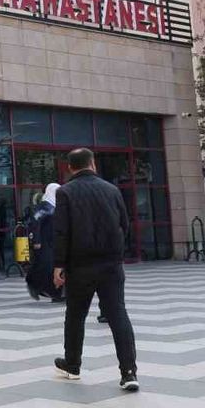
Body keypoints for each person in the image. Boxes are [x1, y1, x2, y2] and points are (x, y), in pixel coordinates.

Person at [52, 148, 139, 393]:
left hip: (80, 265)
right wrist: (117, 250)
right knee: (117, 314)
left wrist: (59, 265)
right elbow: (125, 224)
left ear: (70, 168)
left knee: (75, 315)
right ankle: (129, 372)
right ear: (93, 164)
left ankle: (72, 365)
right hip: (111, 264)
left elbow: (62, 232)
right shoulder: (112, 190)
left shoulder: (65, 192)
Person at [27, 184, 63, 303]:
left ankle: (57, 293)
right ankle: (35, 285)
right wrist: (36, 240)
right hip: (45, 242)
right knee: (46, 267)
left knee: (55, 267)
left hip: (54, 242)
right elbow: (35, 222)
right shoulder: (45, 206)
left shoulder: (56, 206)